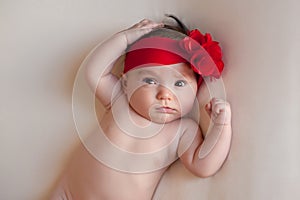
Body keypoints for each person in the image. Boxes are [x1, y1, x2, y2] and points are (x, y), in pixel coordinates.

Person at [50, 15, 232, 200]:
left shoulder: (182, 131)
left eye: (179, 84)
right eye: (150, 81)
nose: (165, 95)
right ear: (126, 83)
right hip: (67, 194)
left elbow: (203, 166)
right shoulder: (119, 101)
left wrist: (222, 126)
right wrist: (126, 38)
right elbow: (94, 72)